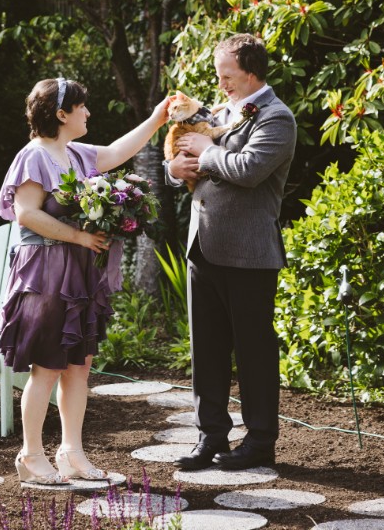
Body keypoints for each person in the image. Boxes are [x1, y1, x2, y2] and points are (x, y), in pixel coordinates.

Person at [0, 78, 170, 485]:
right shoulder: (33, 156)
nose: (88, 113)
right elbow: (26, 214)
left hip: (80, 268)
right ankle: (30, 455)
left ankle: (71, 452)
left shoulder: (76, 154)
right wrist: (78, 236)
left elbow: (117, 153)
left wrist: (157, 119)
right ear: (61, 115)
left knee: (79, 366)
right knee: (48, 365)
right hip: (46, 268)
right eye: (81, 107)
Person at [165, 33, 296, 471]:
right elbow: (184, 151)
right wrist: (173, 169)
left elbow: (250, 170)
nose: (220, 84)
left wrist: (206, 151)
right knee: (207, 348)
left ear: (252, 73)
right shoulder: (221, 111)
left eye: (228, 76)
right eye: (220, 76)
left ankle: (260, 440)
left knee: (254, 349)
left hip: (249, 252)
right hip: (202, 246)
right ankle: (210, 436)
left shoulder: (277, 118)